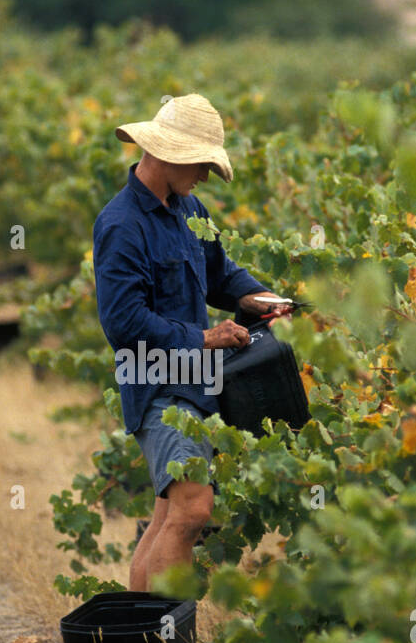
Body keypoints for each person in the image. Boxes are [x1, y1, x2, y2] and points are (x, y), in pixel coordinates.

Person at [94, 93, 292, 592]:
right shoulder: (121, 225)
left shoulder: (189, 209)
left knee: (168, 514)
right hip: (156, 384)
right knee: (192, 509)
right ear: (169, 154)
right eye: (201, 164)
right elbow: (123, 323)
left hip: (194, 384)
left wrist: (262, 298)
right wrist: (206, 337)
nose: (204, 175)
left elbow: (220, 274)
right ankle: (164, 641)